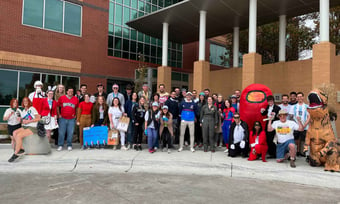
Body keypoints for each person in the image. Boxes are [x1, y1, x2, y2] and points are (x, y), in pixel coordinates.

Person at [8, 97, 40, 162]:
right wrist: (20, 120)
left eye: (27, 101)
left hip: (32, 127)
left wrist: (29, 121)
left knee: (19, 135)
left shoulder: (32, 108)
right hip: (25, 126)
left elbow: (38, 118)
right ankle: (22, 148)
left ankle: (16, 153)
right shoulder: (23, 111)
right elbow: (23, 121)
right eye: (24, 101)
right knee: (14, 132)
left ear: (29, 102)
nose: (25, 102)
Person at [57, 87, 79, 151]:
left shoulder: (75, 99)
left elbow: (77, 108)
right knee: (61, 132)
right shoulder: (62, 98)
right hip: (62, 118)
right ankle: (60, 145)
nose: (70, 93)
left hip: (72, 119)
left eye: (72, 91)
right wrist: (59, 114)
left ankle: (69, 145)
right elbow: (57, 106)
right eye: (69, 91)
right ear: (66, 92)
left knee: (70, 132)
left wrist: (76, 115)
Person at [289, 92, 310, 157]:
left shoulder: (307, 106)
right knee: (296, 139)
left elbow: (309, 117)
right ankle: (296, 152)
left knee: (304, 140)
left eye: (301, 96)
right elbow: (291, 117)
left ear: (303, 97)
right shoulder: (293, 107)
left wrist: (304, 125)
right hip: (296, 126)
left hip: (305, 126)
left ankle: (304, 153)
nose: (299, 98)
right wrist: (295, 124)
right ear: (296, 98)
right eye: (298, 97)